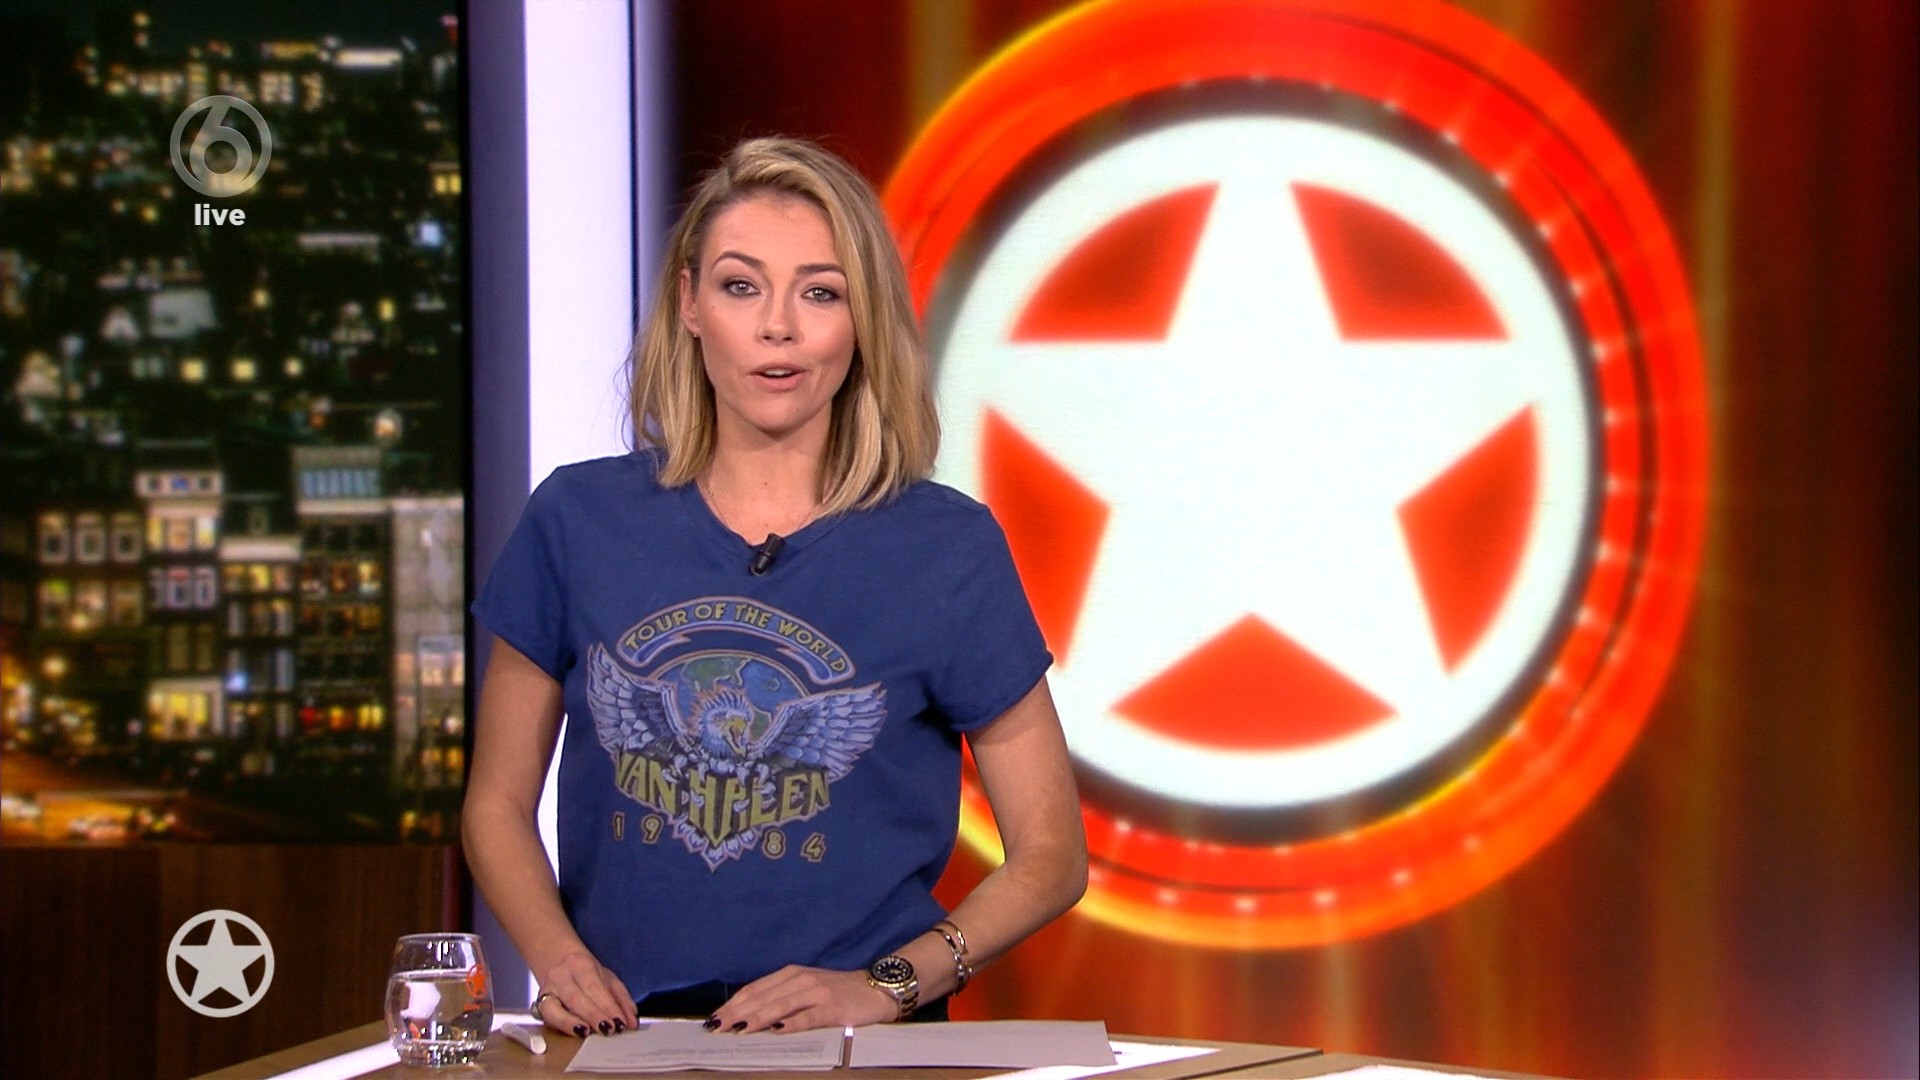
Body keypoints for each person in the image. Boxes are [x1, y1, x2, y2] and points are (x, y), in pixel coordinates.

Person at [464, 136, 1088, 1038]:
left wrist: (883, 986)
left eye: (821, 292)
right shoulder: (576, 518)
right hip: (627, 1039)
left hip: (861, 1045)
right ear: (689, 302)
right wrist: (559, 961)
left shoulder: (947, 546)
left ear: (863, 318)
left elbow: (1050, 854)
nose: (778, 328)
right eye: (741, 286)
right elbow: (495, 805)